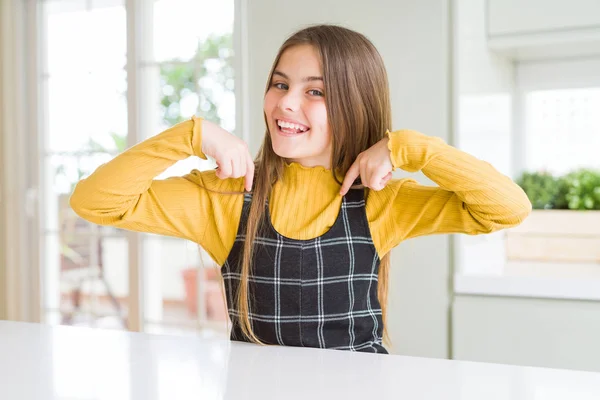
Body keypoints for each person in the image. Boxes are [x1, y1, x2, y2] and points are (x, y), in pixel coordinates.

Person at [70, 24, 532, 354]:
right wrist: (190, 135)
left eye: (315, 91)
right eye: (280, 84)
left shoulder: (381, 200)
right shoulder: (229, 195)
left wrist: (412, 148)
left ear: (355, 102)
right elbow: (94, 202)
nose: (285, 103)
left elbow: (507, 209)